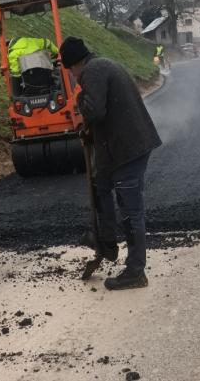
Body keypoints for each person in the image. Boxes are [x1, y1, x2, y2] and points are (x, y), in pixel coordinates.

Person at [60, 37, 162, 291]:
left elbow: (95, 111)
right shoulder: (102, 65)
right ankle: (106, 241)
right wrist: (88, 131)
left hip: (128, 149)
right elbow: (103, 115)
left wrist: (81, 101)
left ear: (75, 64)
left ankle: (136, 271)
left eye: (70, 71)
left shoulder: (91, 72)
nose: (72, 76)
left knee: (131, 210)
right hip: (126, 145)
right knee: (101, 184)